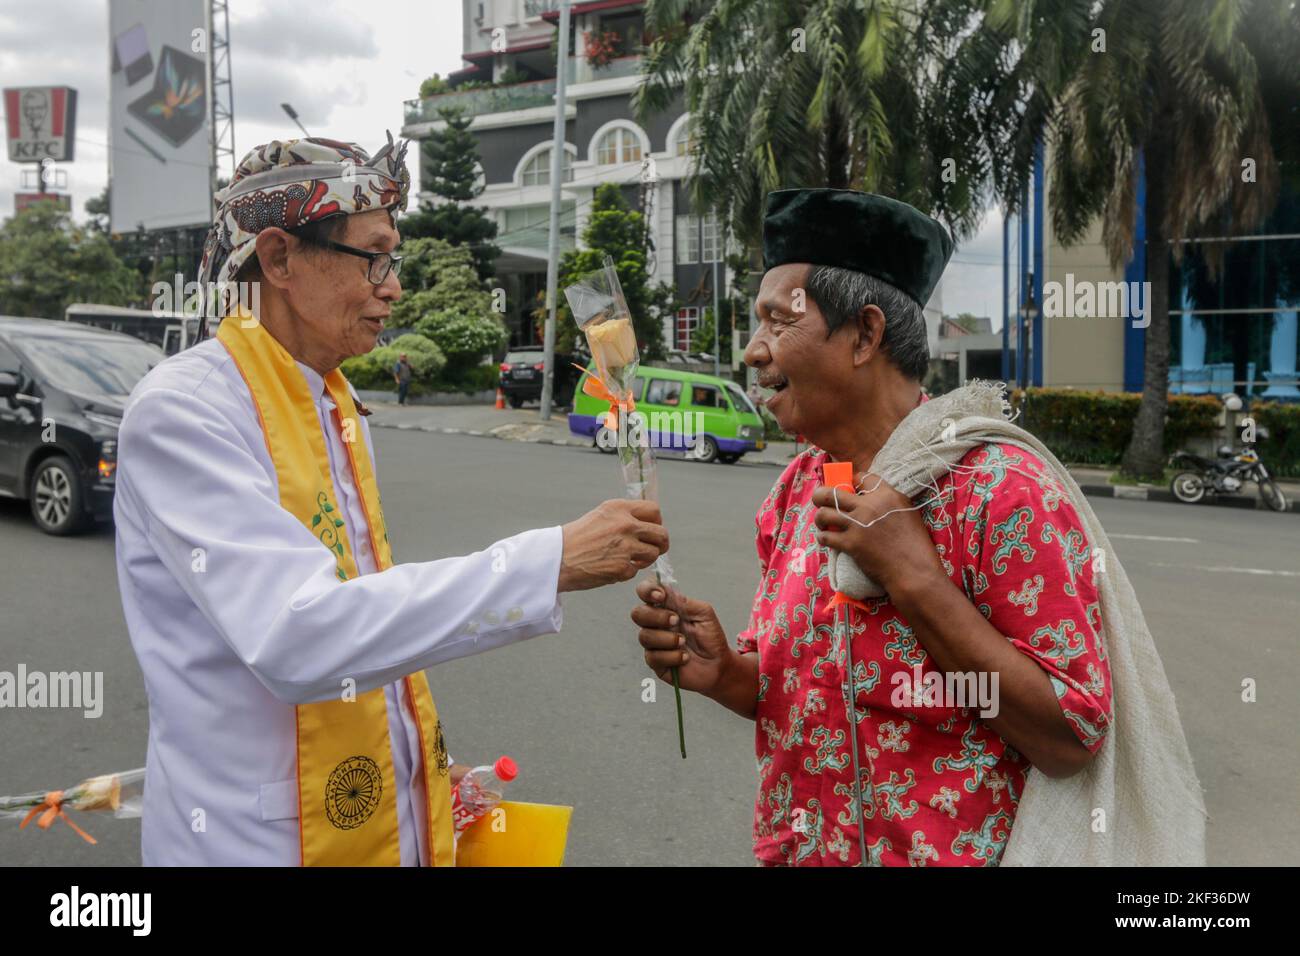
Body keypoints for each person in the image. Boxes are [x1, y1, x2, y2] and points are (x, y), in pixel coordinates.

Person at [114, 133, 668, 866]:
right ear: (278, 259)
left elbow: (365, 619)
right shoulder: (184, 413)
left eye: (394, 260)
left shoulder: (334, 405)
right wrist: (549, 561)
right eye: (374, 257)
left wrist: (417, 774)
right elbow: (301, 637)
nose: (394, 286)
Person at [631, 188, 1202, 866]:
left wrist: (913, 576)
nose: (754, 352)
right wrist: (725, 672)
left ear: (864, 335)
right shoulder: (795, 492)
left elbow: (1069, 736)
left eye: (776, 322)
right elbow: (800, 693)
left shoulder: (999, 490)